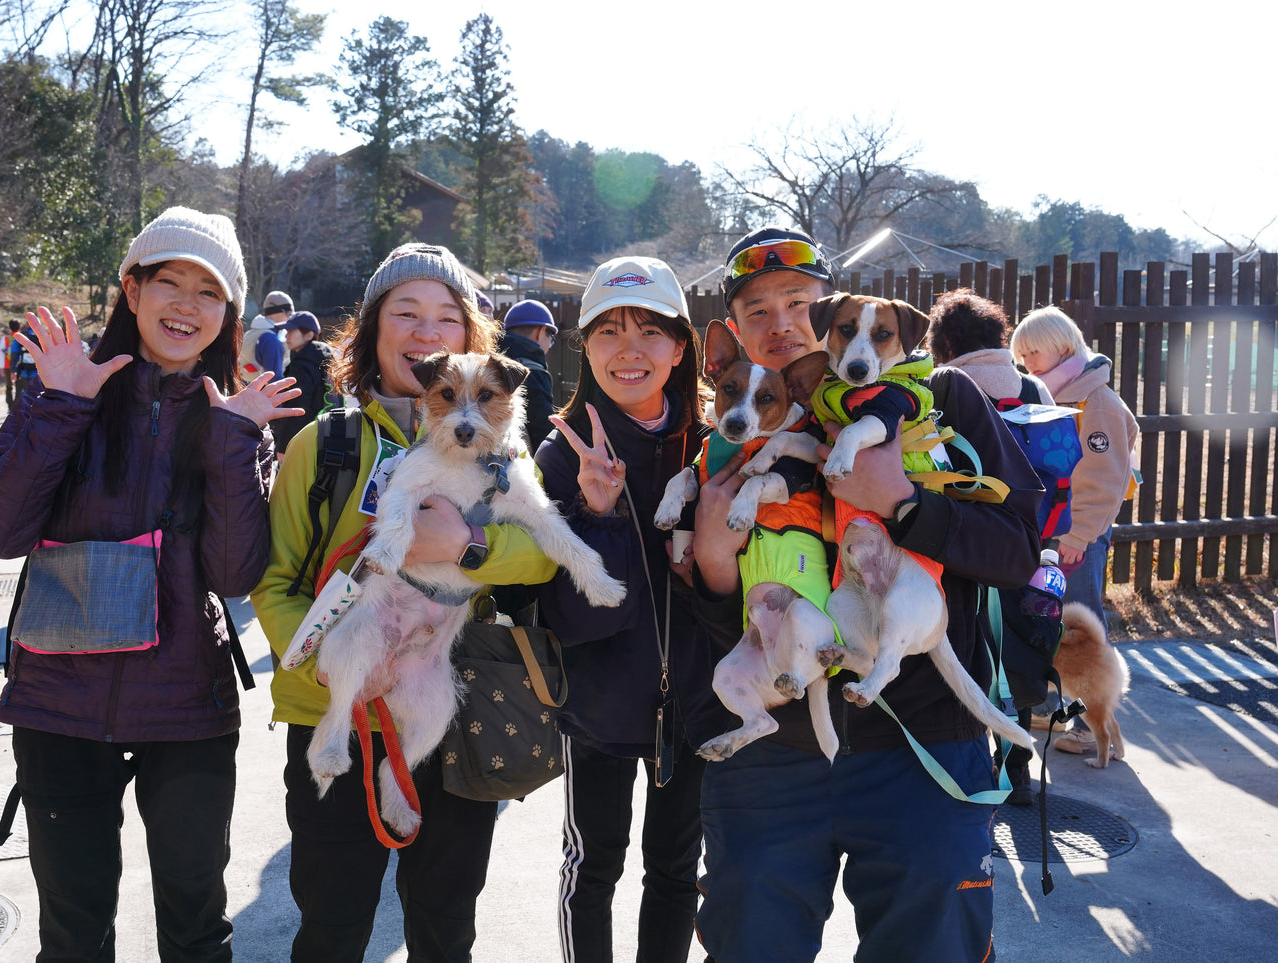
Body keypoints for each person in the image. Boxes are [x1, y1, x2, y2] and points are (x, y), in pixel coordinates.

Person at [690, 227, 1043, 962]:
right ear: (733, 334)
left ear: (834, 309)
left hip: (923, 747)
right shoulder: (733, 431)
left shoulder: (937, 398)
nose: (781, 322)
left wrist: (908, 502)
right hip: (774, 755)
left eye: (798, 301)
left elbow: (1017, 549)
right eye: (756, 311)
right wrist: (713, 563)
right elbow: (696, 613)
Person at [0, 206, 300, 962]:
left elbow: (235, 573)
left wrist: (230, 444)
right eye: (169, 281)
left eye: (208, 291)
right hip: (58, 707)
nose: (186, 304)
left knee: (195, 927)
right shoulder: (64, 390)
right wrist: (62, 406)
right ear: (131, 286)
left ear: (230, 313)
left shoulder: (237, 419)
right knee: (75, 932)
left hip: (188, 708)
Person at [251, 242, 559, 963]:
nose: (426, 331)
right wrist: (329, 662)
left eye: (446, 316)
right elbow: (275, 581)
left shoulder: (499, 454)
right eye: (405, 312)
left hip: (458, 708)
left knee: (446, 926)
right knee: (331, 923)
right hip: (334, 713)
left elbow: (542, 554)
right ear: (371, 329)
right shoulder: (322, 446)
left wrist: (463, 548)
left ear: (469, 339)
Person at [537, 256, 725, 963]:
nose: (629, 349)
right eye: (609, 330)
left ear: (680, 349)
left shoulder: (716, 445)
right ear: (584, 345)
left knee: (676, 872)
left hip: (700, 705)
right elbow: (575, 616)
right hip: (598, 706)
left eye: (650, 330)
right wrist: (598, 511)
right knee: (591, 868)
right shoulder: (560, 453)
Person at [928, 288, 1057, 804]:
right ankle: (1019, 767)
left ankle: (972, 762)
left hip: (961, 545)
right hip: (1026, 548)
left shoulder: (944, 389)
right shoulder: (1032, 388)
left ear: (947, 342)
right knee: (1015, 650)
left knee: (967, 649)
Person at [1011, 305, 1139, 757]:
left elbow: (1102, 479)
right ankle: (1072, 711)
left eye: (1035, 351)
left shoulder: (1095, 401)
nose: (1027, 361)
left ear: (1063, 346)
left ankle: (1090, 727)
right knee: (1056, 618)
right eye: (1021, 354)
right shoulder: (1060, 395)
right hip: (1058, 528)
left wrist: (1078, 534)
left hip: (1076, 533)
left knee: (1083, 629)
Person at [269, 310, 333, 456]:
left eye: (292, 331)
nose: (286, 336)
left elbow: (298, 408)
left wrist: (284, 446)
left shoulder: (302, 364)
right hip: (324, 433)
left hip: (302, 439)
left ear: (309, 335)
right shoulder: (323, 357)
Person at [498, 299, 559, 451]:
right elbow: (543, 430)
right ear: (541, 332)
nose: (549, 346)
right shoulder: (534, 372)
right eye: (551, 339)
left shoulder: (491, 361)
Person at [241, 290, 293, 379]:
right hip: (262, 391)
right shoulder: (271, 339)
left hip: (246, 389)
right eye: (289, 313)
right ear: (279, 311)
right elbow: (274, 379)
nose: (290, 317)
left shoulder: (250, 333)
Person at [0, 318, 22, 407]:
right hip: (20, 366)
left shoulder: (5, 339)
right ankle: (18, 405)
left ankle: (10, 405)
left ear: (9, 327)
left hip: (7, 366)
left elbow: (1, 354)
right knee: (19, 387)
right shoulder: (22, 338)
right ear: (19, 327)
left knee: (9, 387)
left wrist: (1, 367)